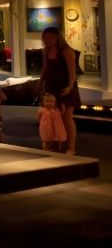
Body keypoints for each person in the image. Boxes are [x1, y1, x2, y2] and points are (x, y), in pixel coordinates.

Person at [38, 26, 80, 155]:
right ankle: (56, 143)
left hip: (65, 87)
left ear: (57, 37)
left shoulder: (66, 51)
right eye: (45, 38)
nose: (48, 40)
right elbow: (45, 69)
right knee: (54, 116)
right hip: (52, 87)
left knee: (67, 117)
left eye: (50, 38)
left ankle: (71, 147)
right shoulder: (47, 50)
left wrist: (70, 86)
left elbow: (72, 71)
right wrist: (40, 83)